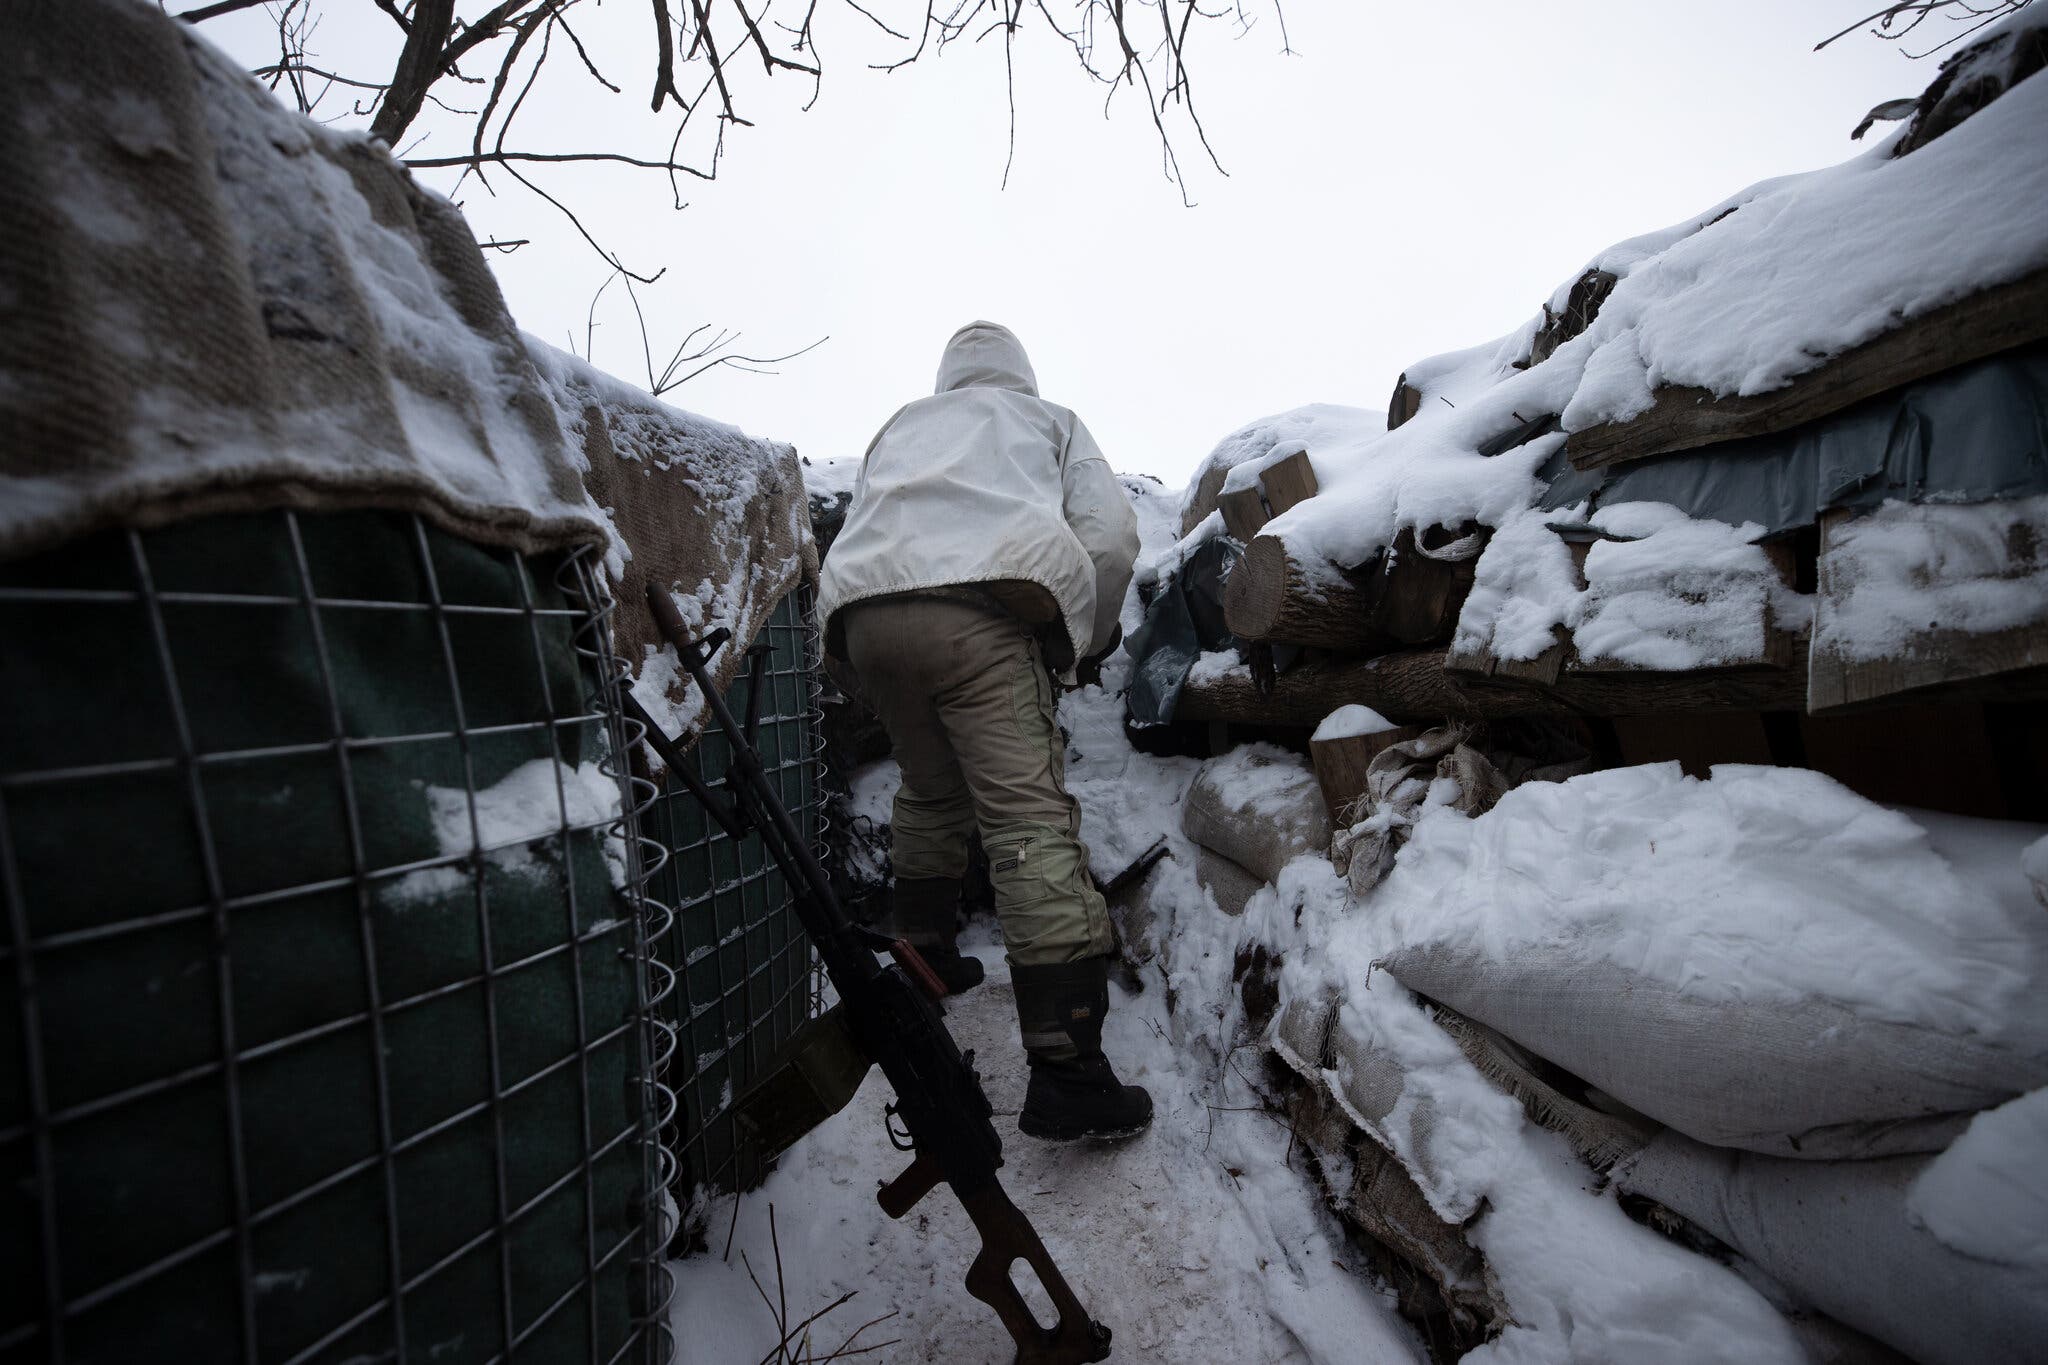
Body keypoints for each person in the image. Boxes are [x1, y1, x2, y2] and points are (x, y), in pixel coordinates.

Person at [818, 321, 1148, 1141]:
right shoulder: (1048, 421)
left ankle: (924, 961)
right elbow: (1108, 539)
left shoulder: (901, 424)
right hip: (978, 612)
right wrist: (1082, 641)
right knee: (1028, 824)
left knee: (931, 791)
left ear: (945, 378)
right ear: (1021, 376)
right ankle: (1068, 1070)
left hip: (864, 621)